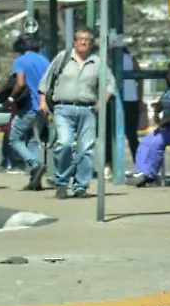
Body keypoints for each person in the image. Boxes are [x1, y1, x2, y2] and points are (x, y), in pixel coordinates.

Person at [38, 27, 115, 199]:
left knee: (86, 149)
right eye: (80, 38)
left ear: (91, 43)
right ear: (74, 41)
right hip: (63, 108)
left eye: (87, 39)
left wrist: (102, 101)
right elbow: (45, 81)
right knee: (64, 144)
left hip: (87, 110)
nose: (84, 42)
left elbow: (110, 84)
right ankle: (62, 183)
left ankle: (81, 186)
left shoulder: (97, 62)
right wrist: (42, 102)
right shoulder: (63, 58)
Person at [7, 34, 50, 191]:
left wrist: (11, 97)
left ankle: (34, 164)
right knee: (32, 140)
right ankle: (35, 182)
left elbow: (20, 82)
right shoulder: (45, 60)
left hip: (29, 107)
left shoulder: (21, 61)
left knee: (14, 138)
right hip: (43, 107)